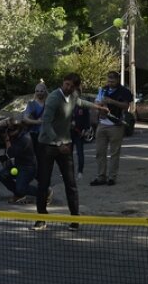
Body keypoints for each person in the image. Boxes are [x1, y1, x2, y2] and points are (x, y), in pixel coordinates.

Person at [33, 74, 106, 230]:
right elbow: (45, 124)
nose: (67, 87)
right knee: (43, 183)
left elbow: (80, 102)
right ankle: (40, 219)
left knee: (71, 184)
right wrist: (58, 143)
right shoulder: (53, 98)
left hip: (65, 145)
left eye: (70, 86)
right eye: (65, 84)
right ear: (63, 83)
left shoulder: (72, 95)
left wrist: (97, 107)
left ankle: (75, 219)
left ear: (75, 87)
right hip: (47, 145)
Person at [91, 71, 135, 187]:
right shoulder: (103, 89)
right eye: (109, 81)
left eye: (113, 81)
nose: (110, 83)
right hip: (102, 123)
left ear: (117, 80)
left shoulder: (124, 91)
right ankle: (101, 176)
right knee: (100, 152)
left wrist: (112, 102)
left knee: (114, 153)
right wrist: (99, 106)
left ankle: (112, 177)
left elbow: (126, 106)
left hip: (116, 124)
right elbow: (96, 103)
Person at [0, 117, 42, 204]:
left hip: (28, 168)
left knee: (21, 188)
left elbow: (10, 153)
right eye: (8, 129)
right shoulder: (17, 134)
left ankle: (45, 192)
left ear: (18, 129)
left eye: (11, 130)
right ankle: (19, 195)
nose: (9, 132)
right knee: (2, 175)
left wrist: (6, 139)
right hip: (18, 165)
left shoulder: (24, 139)